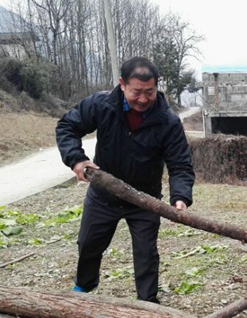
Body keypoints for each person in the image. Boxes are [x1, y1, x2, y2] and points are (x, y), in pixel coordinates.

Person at [56, 57, 195, 303]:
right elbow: (67, 126)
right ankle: (84, 287)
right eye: (136, 92)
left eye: (149, 92)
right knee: (88, 244)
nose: (143, 99)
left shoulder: (168, 121)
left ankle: (148, 302)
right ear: (122, 84)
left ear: (156, 86)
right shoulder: (102, 105)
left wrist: (181, 197)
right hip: (103, 194)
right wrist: (76, 159)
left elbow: (180, 164)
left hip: (145, 199)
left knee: (146, 253)